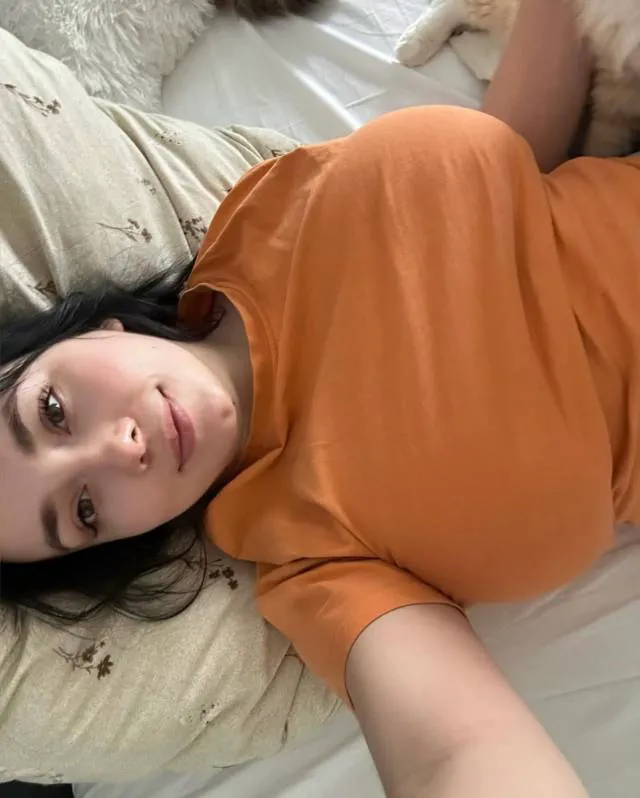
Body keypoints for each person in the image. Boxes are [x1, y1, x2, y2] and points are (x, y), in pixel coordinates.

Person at [0, 0, 633, 794]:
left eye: (53, 413)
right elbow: (455, 755)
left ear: (93, 331)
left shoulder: (257, 216)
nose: (118, 451)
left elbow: (510, 182)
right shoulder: (309, 557)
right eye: (85, 511)